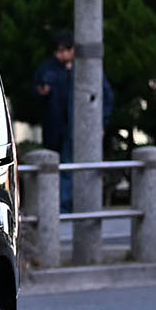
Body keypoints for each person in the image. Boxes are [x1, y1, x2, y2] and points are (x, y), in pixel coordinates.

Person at [33, 31, 114, 206]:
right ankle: (59, 205)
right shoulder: (47, 70)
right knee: (55, 168)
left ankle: (68, 205)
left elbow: (106, 97)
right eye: (59, 50)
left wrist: (102, 123)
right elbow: (35, 95)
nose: (63, 54)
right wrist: (41, 94)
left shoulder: (86, 70)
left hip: (78, 128)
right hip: (54, 128)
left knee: (72, 168)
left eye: (67, 49)